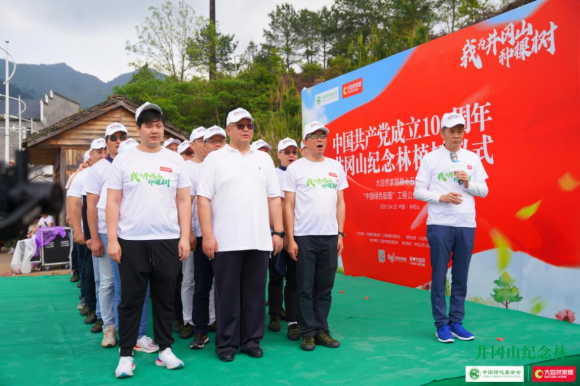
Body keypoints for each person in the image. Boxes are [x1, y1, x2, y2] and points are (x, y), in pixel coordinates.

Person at [107, 102, 191, 378]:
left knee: (165, 297)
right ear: (139, 128)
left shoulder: (175, 159)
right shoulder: (124, 159)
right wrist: (113, 240)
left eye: (158, 125)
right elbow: (113, 201)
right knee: (131, 300)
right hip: (132, 240)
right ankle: (126, 356)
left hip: (167, 239)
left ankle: (165, 350)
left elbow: (183, 200)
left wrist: (184, 236)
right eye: (149, 125)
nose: (155, 130)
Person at [197, 108, 283, 362]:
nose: (246, 129)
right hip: (225, 241)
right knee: (227, 294)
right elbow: (203, 200)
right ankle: (226, 343)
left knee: (256, 294)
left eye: (250, 125)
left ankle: (251, 340)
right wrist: (208, 235)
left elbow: (274, 198)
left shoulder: (264, 159)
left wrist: (277, 232)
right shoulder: (215, 159)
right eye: (240, 125)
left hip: (258, 239)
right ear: (229, 129)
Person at [413, 112, 489, 343]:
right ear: (442, 133)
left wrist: (468, 183)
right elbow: (417, 190)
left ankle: (456, 322)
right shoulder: (431, 158)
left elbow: (484, 191)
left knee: (460, 276)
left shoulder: (472, 158)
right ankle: (441, 325)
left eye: (460, 131)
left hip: (466, 224)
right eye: (451, 131)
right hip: (440, 225)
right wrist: (441, 197)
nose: (456, 135)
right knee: (438, 276)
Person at [282, 121, 348, 352]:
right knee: (305, 287)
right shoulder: (295, 169)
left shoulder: (336, 167)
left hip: (329, 236)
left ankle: (321, 330)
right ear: (306, 142)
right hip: (304, 236)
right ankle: (307, 333)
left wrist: (340, 233)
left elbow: (340, 202)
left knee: (325, 286)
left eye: (323, 135)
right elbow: (288, 206)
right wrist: (290, 238)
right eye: (315, 136)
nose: (320, 139)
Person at [188, 126, 225, 349]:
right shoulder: (194, 170)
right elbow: (186, 203)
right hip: (203, 236)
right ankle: (200, 331)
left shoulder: (233, 167)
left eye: (221, 141)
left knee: (226, 287)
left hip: (228, 238)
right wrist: (190, 233)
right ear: (204, 145)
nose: (217, 145)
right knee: (201, 285)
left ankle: (227, 330)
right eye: (212, 141)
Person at [67, 140, 106, 325]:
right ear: (90, 155)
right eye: (97, 151)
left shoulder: (115, 170)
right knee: (91, 273)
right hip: (90, 232)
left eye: (103, 150)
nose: (102, 154)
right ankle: (93, 308)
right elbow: (74, 204)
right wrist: (79, 230)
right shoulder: (82, 176)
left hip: (113, 232)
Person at [268, 138, 300, 340]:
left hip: (299, 235)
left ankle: (293, 318)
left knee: (295, 279)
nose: (290, 155)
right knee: (276, 276)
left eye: (294, 152)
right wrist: (280, 233)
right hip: (277, 234)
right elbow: (275, 206)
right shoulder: (273, 175)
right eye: (286, 152)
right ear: (278, 154)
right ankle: (274, 314)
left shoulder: (302, 173)